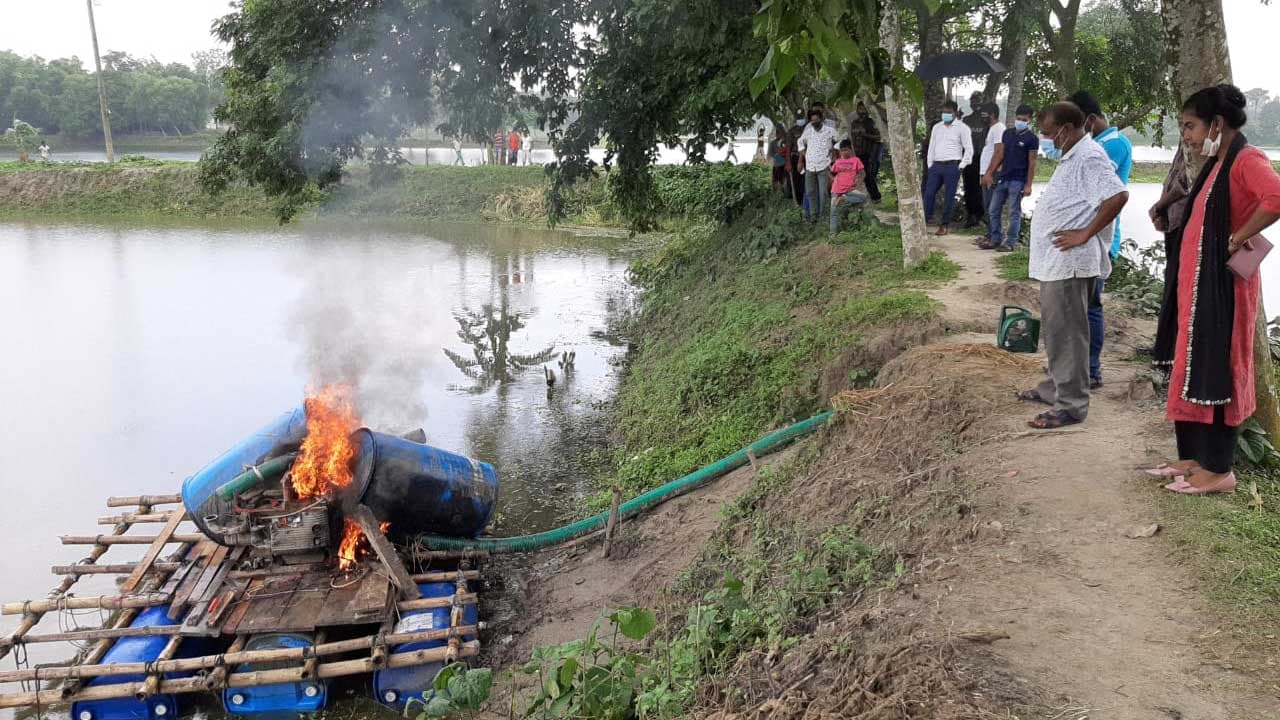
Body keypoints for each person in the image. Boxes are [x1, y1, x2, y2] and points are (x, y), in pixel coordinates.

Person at [1147, 84, 1280, 494]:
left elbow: (1275, 197)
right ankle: (1192, 458)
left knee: (1219, 367)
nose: (1186, 136)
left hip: (1222, 292)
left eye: (1190, 126)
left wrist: (1239, 235)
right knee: (1191, 365)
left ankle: (1219, 470)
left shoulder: (1246, 159)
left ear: (1217, 124)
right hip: (1197, 289)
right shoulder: (1218, 163)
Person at [1017, 102, 1128, 429]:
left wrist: (1084, 233)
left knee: (1068, 334)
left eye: (1050, 134)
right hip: (1058, 263)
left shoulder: (1090, 157)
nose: (1047, 140)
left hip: (1072, 263)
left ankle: (1071, 405)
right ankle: (1056, 388)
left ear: (1066, 129)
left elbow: (1117, 196)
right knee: (1057, 332)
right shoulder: (1074, 155)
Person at [1070, 90, 1133, 389]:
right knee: (1075, 305)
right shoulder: (1096, 143)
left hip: (1099, 240)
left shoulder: (1113, 144)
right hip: (1082, 238)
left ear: (1090, 120)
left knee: (1090, 305)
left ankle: (1091, 370)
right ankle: (1075, 365)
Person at [981, 104, 1038, 252]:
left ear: (1029, 120)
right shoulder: (1007, 133)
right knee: (993, 209)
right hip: (1003, 177)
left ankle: (1010, 242)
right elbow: (1000, 154)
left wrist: (1029, 185)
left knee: (1014, 211)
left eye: (1024, 119)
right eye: (1018, 118)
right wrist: (989, 173)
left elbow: (1032, 163)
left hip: (1018, 180)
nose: (1020, 121)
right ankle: (995, 238)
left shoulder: (1032, 139)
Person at [922, 99, 973, 236]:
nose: (946, 115)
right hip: (937, 165)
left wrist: (961, 165)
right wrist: (930, 165)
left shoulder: (963, 128)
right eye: (944, 112)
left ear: (955, 113)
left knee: (949, 196)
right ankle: (925, 219)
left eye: (949, 112)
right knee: (929, 193)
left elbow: (969, 149)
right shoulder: (937, 127)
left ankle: (944, 225)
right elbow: (931, 147)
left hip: (952, 165)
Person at [797, 106, 840, 224]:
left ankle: (823, 217)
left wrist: (834, 150)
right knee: (810, 192)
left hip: (824, 165)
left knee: (823, 193)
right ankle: (813, 216)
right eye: (812, 121)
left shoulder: (829, 130)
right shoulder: (808, 131)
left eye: (816, 120)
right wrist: (802, 153)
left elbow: (839, 140)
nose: (814, 123)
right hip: (810, 165)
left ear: (821, 119)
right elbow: (800, 141)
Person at [961, 91, 989, 228]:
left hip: (982, 158)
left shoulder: (987, 121)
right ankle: (971, 214)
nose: (975, 104)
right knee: (968, 186)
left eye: (978, 101)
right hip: (968, 158)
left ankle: (981, 215)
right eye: (973, 101)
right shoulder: (966, 120)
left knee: (981, 187)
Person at [847, 101, 883, 203]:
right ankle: (865, 197)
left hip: (869, 153)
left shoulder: (871, 122)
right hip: (857, 153)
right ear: (857, 110)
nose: (861, 111)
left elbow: (878, 137)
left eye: (863, 109)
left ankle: (876, 197)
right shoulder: (854, 123)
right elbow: (851, 138)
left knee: (868, 175)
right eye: (860, 109)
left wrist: (865, 135)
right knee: (860, 176)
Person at [976, 103, 1006, 223]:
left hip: (992, 173)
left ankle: (993, 237)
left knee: (992, 206)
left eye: (984, 115)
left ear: (992, 115)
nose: (982, 118)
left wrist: (989, 173)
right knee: (987, 205)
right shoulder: (992, 128)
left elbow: (999, 152)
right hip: (986, 172)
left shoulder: (998, 128)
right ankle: (990, 235)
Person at [829, 140, 867, 234]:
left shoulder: (856, 160)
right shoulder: (838, 161)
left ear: (850, 149)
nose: (844, 152)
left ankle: (843, 199)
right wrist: (833, 179)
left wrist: (857, 185)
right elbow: (830, 171)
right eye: (842, 150)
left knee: (863, 197)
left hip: (849, 189)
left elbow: (862, 173)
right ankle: (833, 234)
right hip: (836, 189)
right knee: (833, 211)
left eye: (846, 150)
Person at [787, 110, 807, 208]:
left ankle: (805, 201)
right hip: (795, 158)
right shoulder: (792, 131)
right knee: (796, 180)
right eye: (798, 117)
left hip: (808, 158)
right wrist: (788, 162)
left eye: (801, 117)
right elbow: (788, 148)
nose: (800, 119)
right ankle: (798, 202)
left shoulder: (809, 129)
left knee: (806, 179)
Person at [769, 126, 790, 194]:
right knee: (775, 180)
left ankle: (784, 192)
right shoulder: (773, 143)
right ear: (776, 134)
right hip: (776, 164)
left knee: (783, 179)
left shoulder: (785, 142)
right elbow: (770, 153)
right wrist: (777, 156)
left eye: (780, 134)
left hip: (785, 164)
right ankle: (774, 193)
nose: (779, 135)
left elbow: (788, 152)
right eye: (778, 134)